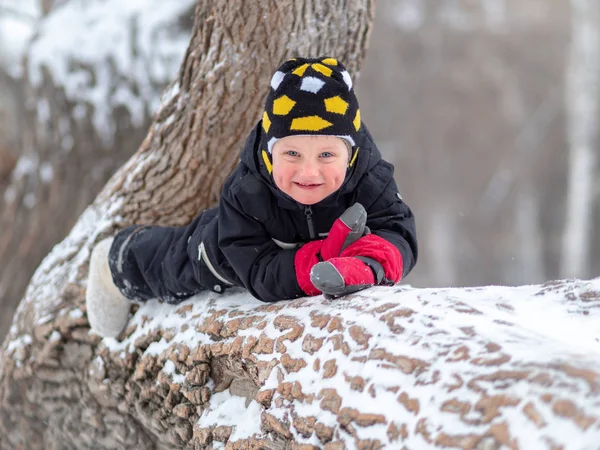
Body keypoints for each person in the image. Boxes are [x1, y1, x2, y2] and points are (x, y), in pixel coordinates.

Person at [86, 57, 418, 338]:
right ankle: (114, 261)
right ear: (271, 154)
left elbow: (397, 232)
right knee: (174, 265)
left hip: (295, 248)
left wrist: (369, 262)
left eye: (326, 155)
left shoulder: (371, 179)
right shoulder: (247, 190)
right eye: (292, 153)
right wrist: (321, 258)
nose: (309, 172)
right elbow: (259, 271)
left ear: (351, 153)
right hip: (234, 251)